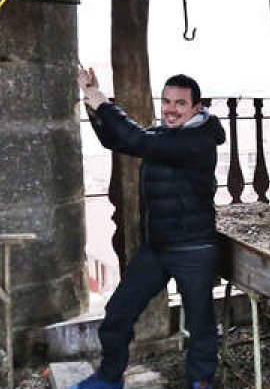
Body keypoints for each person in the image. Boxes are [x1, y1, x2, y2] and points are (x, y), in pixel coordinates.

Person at [73, 69, 225, 389]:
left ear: (197, 108)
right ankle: (109, 377)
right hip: (157, 248)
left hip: (193, 247)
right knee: (117, 314)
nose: (170, 109)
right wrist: (90, 98)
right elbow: (116, 138)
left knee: (200, 323)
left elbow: (135, 139)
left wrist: (101, 100)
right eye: (166, 101)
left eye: (180, 104)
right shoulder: (166, 137)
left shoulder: (198, 141)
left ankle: (200, 381)